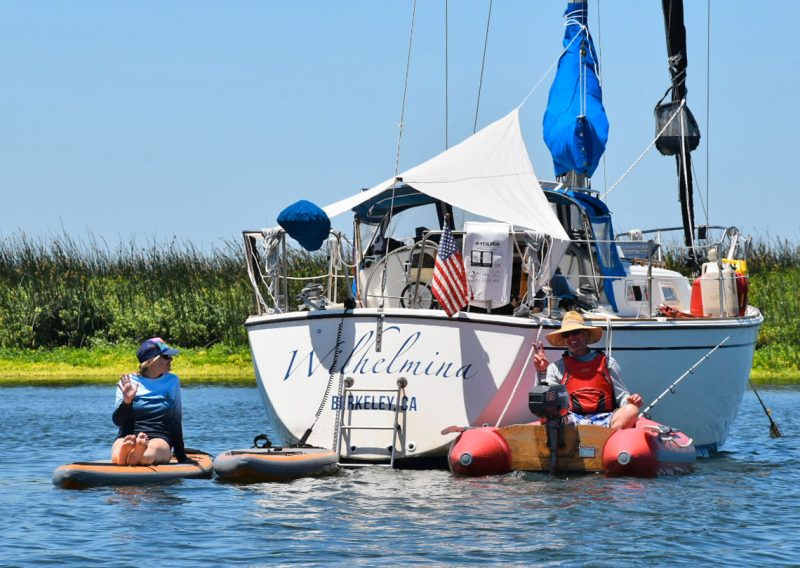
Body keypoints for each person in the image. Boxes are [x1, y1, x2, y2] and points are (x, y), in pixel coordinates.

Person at [533, 311, 643, 429]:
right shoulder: (555, 368)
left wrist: (631, 401)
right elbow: (547, 400)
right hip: (571, 420)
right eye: (566, 335)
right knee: (546, 414)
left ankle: (607, 441)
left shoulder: (608, 363)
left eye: (575, 332)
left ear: (586, 334)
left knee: (631, 410)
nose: (571, 337)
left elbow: (621, 396)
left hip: (606, 418)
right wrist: (542, 371)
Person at [110, 337, 191, 466]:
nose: (171, 359)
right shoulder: (127, 382)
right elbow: (118, 421)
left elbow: (176, 421)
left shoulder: (172, 381)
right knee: (118, 451)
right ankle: (131, 452)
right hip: (127, 436)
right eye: (166, 356)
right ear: (151, 361)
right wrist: (127, 401)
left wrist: (181, 456)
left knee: (149, 452)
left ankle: (136, 452)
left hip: (159, 438)